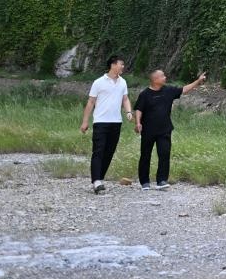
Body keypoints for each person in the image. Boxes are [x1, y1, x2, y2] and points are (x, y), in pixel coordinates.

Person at [134, 69, 206, 190]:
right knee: (145, 155)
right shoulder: (145, 94)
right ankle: (144, 182)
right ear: (155, 80)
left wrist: (198, 81)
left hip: (165, 129)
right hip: (148, 130)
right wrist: (138, 123)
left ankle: (162, 180)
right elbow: (139, 109)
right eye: (162, 76)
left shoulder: (168, 90)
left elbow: (184, 89)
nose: (165, 77)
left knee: (164, 154)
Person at [80, 55, 133, 194]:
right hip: (100, 122)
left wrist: (128, 111)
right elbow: (91, 102)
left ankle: (100, 178)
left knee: (109, 152)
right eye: (121, 64)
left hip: (116, 122)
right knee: (98, 151)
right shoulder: (98, 82)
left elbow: (125, 99)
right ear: (113, 65)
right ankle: (96, 181)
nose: (123, 67)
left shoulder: (123, 82)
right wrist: (85, 121)